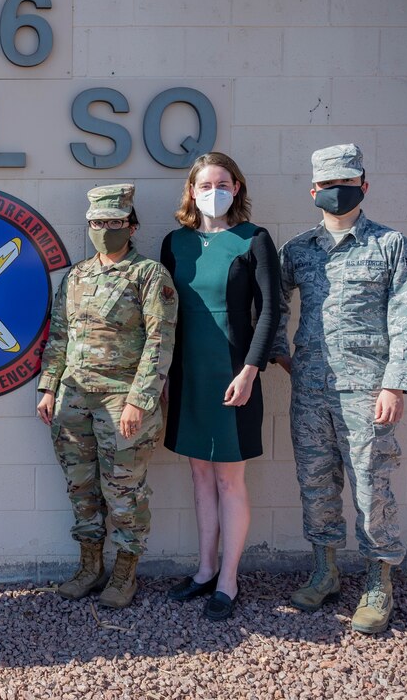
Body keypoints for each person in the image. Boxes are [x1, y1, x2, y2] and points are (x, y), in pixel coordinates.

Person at [272, 144, 407, 634]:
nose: (337, 192)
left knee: (371, 486)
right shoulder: (298, 250)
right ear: (313, 190)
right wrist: (280, 354)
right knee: (316, 483)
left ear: (363, 185)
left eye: (347, 182)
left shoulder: (391, 246)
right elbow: (272, 304)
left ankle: (378, 581)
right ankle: (325, 571)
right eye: (327, 185)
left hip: (368, 393)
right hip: (311, 389)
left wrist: (396, 385)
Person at [36, 184, 178, 608]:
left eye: (115, 222)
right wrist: (47, 387)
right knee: (81, 488)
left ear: (132, 226)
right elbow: (58, 335)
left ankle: (124, 572)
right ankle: (90, 566)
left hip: (123, 400)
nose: (106, 229)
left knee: (124, 491)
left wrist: (140, 400)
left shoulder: (149, 275)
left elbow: (160, 339)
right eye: (98, 223)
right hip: (73, 400)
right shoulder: (76, 276)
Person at [160, 152, 280, 621]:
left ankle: (229, 579)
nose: (215, 191)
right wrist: (164, 376)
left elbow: (269, 311)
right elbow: (164, 315)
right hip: (188, 375)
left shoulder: (255, 239)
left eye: (223, 183)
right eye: (205, 184)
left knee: (230, 480)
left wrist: (251, 371)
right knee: (199, 476)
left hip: (235, 374)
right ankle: (204, 569)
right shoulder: (175, 243)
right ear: (192, 190)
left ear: (237, 187)